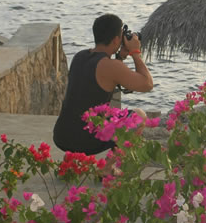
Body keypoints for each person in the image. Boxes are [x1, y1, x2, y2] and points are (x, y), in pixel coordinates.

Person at [53, 13, 154, 154]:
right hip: (85, 140)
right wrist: (135, 52)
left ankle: (74, 159)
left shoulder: (80, 56)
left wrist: (121, 57)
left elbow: (105, 77)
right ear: (116, 39)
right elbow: (147, 84)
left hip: (62, 135)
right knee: (139, 116)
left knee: (102, 114)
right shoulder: (110, 66)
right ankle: (107, 168)